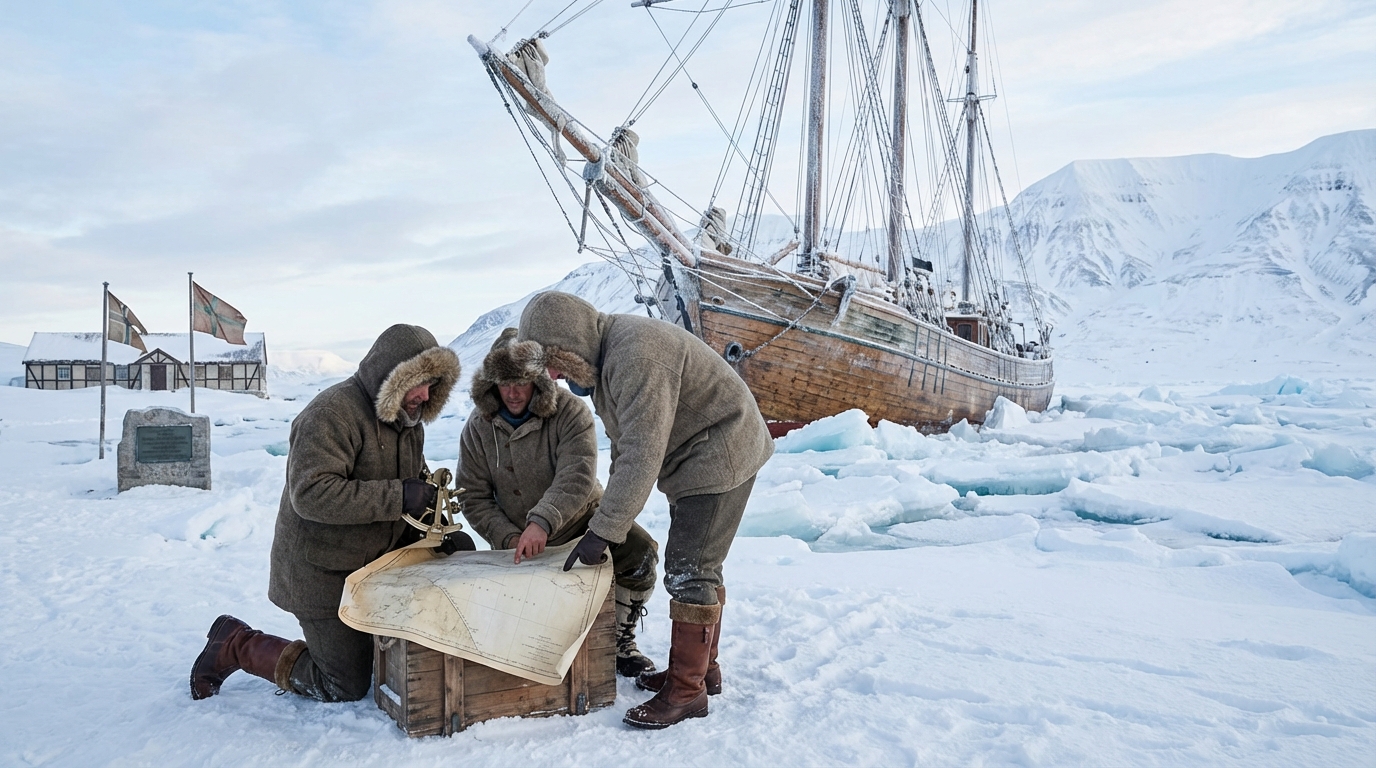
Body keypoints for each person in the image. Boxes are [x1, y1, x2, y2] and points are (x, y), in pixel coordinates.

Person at [517, 291, 774, 729]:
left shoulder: (636, 354)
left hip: (720, 452)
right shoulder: (608, 361)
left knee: (690, 569)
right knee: (701, 566)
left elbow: (642, 452)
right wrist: (610, 522)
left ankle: (687, 692)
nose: (554, 377)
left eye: (552, 362)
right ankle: (701, 672)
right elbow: (624, 447)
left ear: (569, 345)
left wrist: (603, 533)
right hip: (699, 455)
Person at [190, 324, 469, 703]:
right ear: (390, 377)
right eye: (417, 382)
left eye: (433, 384)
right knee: (344, 684)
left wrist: (433, 526)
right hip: (321, 572)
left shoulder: (408, 420)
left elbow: (409, 479)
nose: (424, 394)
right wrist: (400, 496)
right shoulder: (331, 414)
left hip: (372, 566)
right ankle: (236, 644)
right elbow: (311, 493)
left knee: (386, 655)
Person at [458, 328, 660, 677]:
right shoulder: (478, 428)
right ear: (490, 383)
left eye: (522, 380)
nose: (513, 392)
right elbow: (473, 497)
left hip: (581, 521)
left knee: (640, 552)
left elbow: (577, 475)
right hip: (516, 539)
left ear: (539, 378)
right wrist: (506, 537)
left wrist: (543, 522)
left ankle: (619, 639)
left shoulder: (571, 412)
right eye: (504, 382)